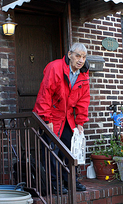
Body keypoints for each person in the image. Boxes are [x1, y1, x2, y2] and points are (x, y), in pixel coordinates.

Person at [33, 42, 90, 194]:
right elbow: (45, 94)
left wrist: (80, 122)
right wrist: (46, 120)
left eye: (83, 57)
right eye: (78, 56)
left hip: (68, 117)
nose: (81, 60)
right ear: (70, 54)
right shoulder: (55, 67)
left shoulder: (83, 74)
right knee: (52, 151)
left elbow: (84, 100)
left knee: (69, 151)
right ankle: (55, 184)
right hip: (52, 116)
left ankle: (70, 181)